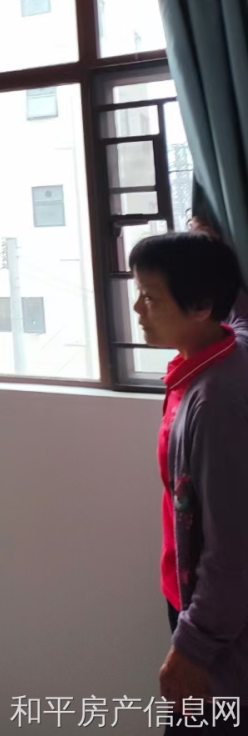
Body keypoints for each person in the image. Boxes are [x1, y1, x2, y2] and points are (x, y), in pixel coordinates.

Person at [130, 230, 248, 728]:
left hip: (215, 618)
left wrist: (192, 647)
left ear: (200, 307)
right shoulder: (225, 346)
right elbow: (238, 313)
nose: (137, 309)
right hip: (190, 597)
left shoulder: (218, 403)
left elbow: (234, 548)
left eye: (151, 298)